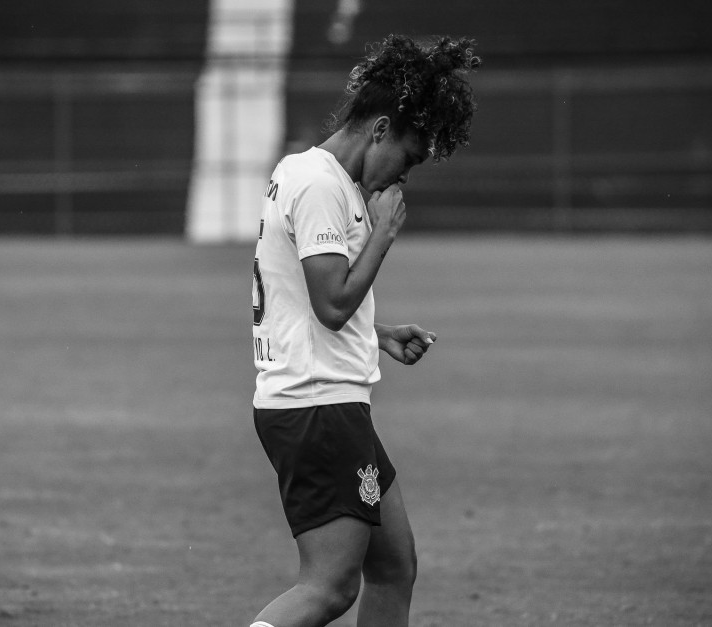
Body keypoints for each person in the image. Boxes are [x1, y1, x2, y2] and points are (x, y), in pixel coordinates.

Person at [249, 34, 480, 627]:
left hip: (332, 403)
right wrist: (383, 235)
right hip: (317, 406)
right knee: (328, 587)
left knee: (393, 565)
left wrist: (376, 332)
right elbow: (329, 305)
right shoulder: (323, 184)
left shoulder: (323, 179)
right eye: (407, 157)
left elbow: (299, 300)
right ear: (379, 130)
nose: (403, 176)